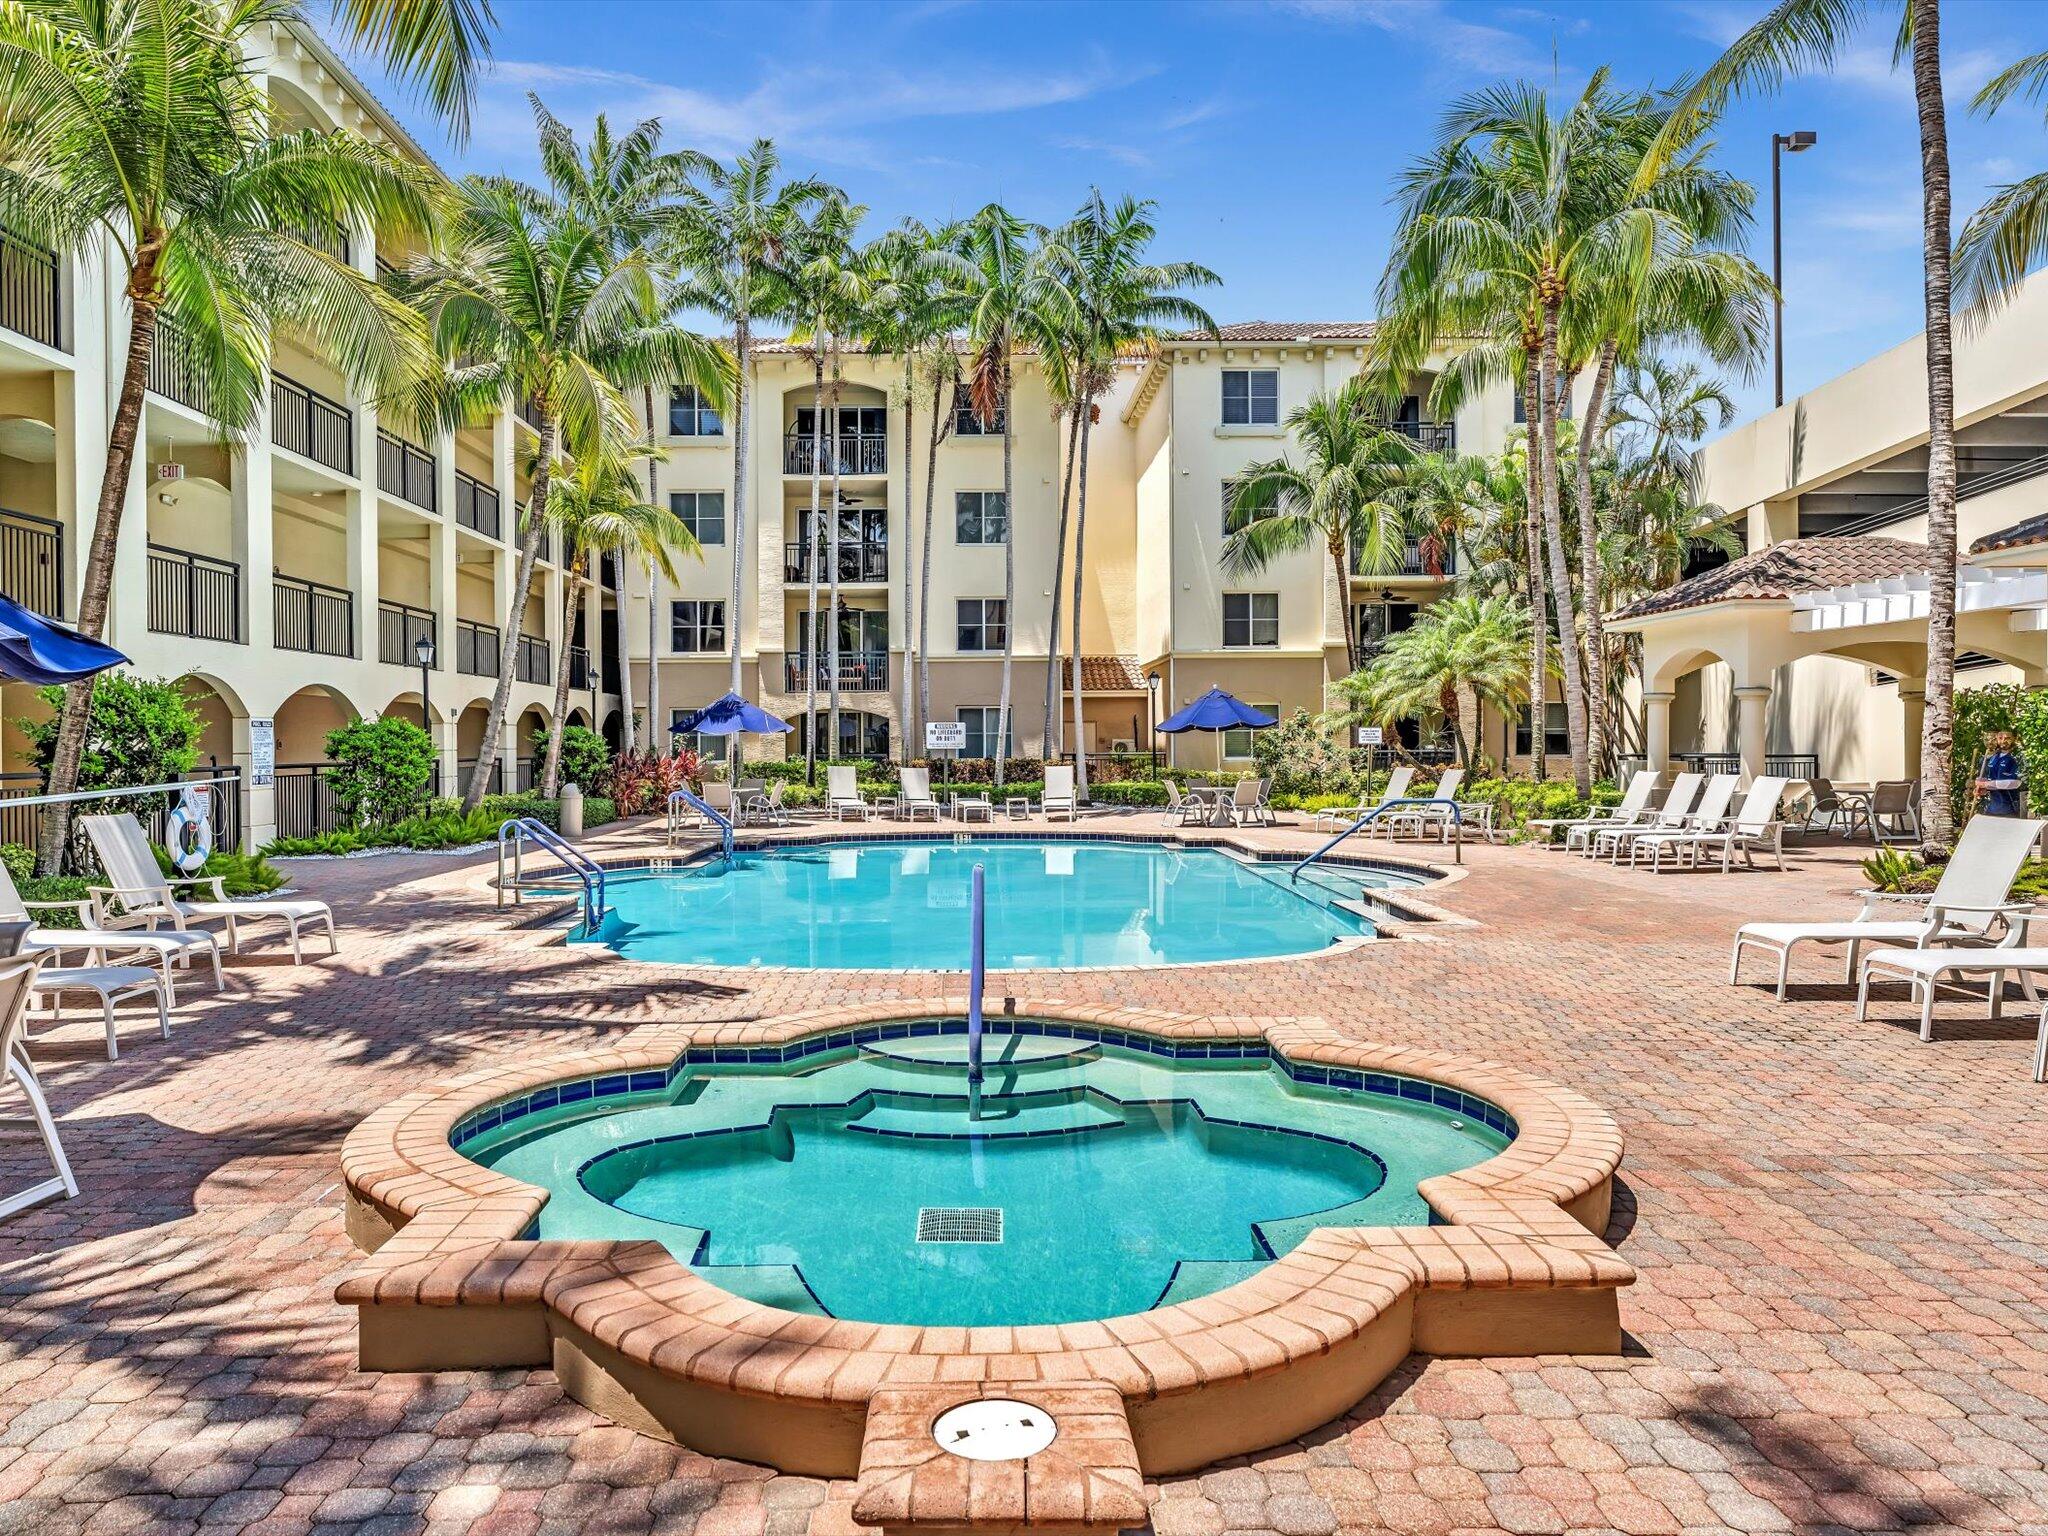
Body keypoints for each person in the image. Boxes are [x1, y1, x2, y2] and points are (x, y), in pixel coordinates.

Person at [1974, 729, 2028, 817]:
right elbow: (1990, 779)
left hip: (2012, 808)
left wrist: (1986, 784)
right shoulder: (1994, 757)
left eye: (2007, 738)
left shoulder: (2019, 757)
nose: (2003, 741)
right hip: (1992, 808)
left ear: (2014, 738)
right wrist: (1982, 789)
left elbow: (2016, 783)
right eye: (2000, 738)